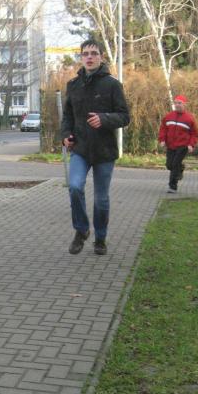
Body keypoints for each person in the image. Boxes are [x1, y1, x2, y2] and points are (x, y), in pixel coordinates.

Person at [61, 39, 130, 256]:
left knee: (101, 199)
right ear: (81, 58)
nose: (89, 57)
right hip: (80, 149)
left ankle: (100, 237)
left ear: (101, 57)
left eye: (93, 53)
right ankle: (81, 230)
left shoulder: (112, 84)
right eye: (85, 54)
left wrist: (104, 119)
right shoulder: (73, 85)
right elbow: (67, 117)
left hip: (104, 151)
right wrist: (65, 136)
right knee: (74, 187)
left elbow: (124, 116)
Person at [158, 95, 198, 193]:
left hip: (183, 146)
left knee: (175, 164)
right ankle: (181, 168)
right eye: (175, 103)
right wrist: (162, 140)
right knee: (169, 165)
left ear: (184, 104)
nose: (177, 105)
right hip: (170, 145)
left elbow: (194, 133)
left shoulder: (189, 118)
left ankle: (172, 186)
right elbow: (163, 129)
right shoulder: (168, 116)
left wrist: (191, 144)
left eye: (179, 103)